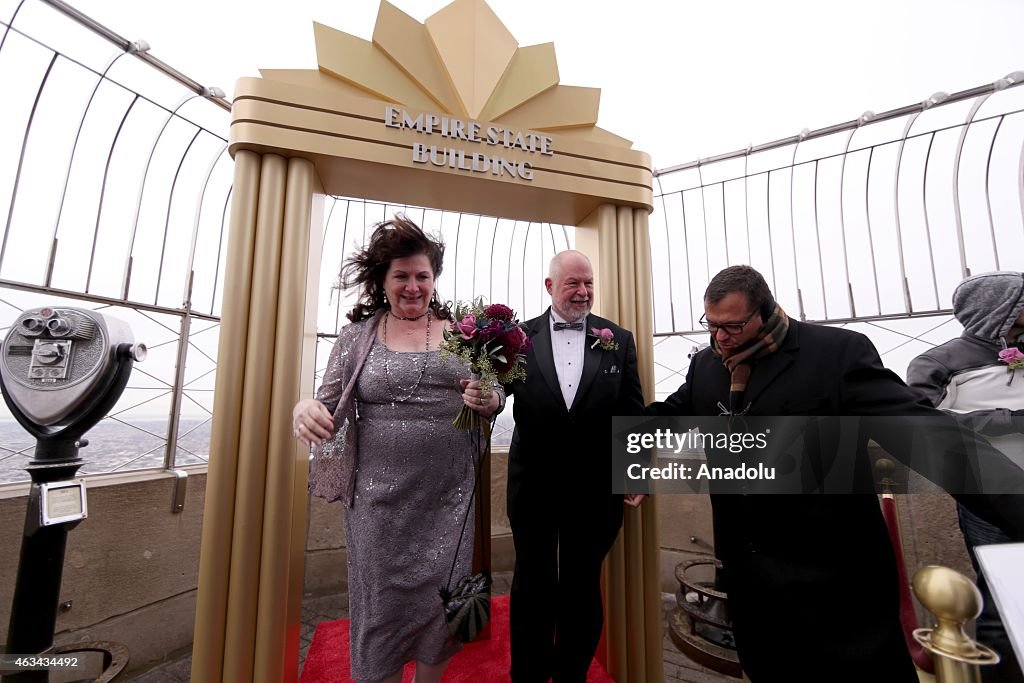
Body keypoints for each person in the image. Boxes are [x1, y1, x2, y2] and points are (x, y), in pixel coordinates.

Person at [647, 264, 1024, 682]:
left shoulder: (836, 353)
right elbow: (669, 417)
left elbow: (926, 434)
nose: (719, 338)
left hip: (835, 584)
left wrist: (1014, 500)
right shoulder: (707, 366)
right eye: (711, 325)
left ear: (765, 310)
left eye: (732, 326)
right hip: (754, 587)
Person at [292, 215, 501, 683]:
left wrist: (490, 399)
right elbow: (324, 402)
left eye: (422, 276)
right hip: (377, 507)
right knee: (380, 609)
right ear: (381, 281)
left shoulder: (464, 335)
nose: (413, 286)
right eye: (401, 276)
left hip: (450, 502)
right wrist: (303, 409)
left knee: (442, 601)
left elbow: (494, 394)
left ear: (434, 279)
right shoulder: (355, 338)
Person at [504, 249, 645, 683]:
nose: (583, 292)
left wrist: (636, 467)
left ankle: (572, 673)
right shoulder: (515, 338)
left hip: (595, 489)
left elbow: (631, 410)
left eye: (588, 283)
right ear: (550, 286)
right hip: (534, 488)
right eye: (573, 284)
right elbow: (492, 400)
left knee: (583, 586)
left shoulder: (617, 339)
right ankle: (527, 673)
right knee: (532, 582)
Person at [907, 271, 1024, 683]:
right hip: (989, 496)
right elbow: (920, 425)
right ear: (999, 309)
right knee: (1003, 595)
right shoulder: (938, 363)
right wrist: (1007, 421)